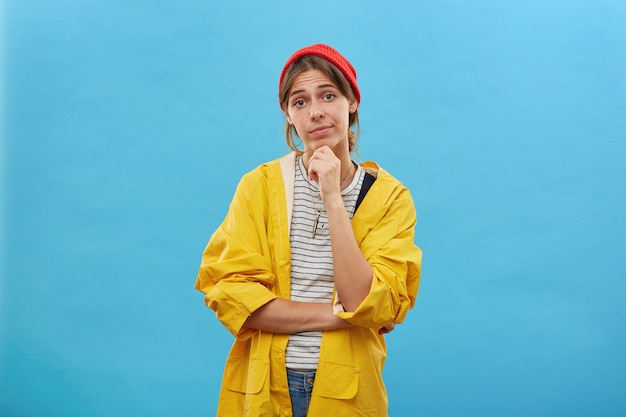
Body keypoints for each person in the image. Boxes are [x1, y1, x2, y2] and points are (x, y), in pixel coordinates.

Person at [194, 43, 422, 417]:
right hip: (265, 384)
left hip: (348, 388)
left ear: (352, 102)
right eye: (300, 102)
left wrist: (333, 197)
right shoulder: (259, 186)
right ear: (287, 114)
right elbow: (235, 298)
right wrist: (341, 316)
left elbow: (365, 299)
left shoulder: (389, 198)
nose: (315, 112)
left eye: (328, 95)